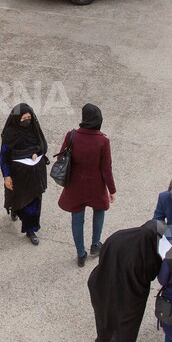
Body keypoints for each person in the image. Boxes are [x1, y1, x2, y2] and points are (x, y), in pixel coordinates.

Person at [88, 221, 164, 342]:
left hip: (102, 283)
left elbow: (104, 254)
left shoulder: (119, 236)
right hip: (129, 295)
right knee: (128, 325)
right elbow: (150, 275)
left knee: (104, 316)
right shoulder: (149, 254)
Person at [57, 103, 116, 267]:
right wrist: (112, 190)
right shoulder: (103, 141)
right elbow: (106, 169)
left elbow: (60, 158)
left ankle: (80, 254)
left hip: (75, 186)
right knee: (99, 211)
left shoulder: (72, 135)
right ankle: (96, 244)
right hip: (96, 186)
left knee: (77, 219)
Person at [0, 103, 47, 245]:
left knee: (33, 202)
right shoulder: (10, 134)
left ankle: (30, 229)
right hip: (17, 175)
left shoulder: (34, 130)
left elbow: (42, 146)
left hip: (34, 175)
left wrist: (36, 153)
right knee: (17, 198)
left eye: (29, 117)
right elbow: (4, 157)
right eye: (23, 118)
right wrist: (6, 176)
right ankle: (15, 209)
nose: (27, 121)